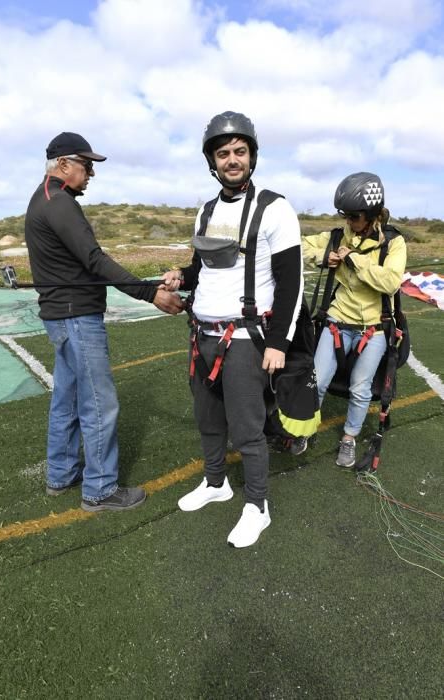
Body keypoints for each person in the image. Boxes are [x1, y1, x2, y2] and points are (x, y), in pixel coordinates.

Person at [162, 111, 304, 547]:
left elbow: (291, 282)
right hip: (201, 334)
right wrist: (180, 277)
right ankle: (216, 483)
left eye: (239, 151)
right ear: (213, 161)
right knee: (208, 419)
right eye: (223, 153)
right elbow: (202, 267)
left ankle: (257, 505)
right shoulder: (205, 211)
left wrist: (278, 342)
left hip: (244, 338)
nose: (232, 159)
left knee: (247, 427)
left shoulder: (276, 208)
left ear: (252, 155)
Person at [25, 131, 183, 512]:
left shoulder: (43, 199)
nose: (91, 172)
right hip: (76, 318)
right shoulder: (59, 203)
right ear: (63, 165)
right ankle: (99, 489)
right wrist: (151, 292)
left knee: (67, 400)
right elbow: (95, 261)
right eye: (86, 164)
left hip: (62, 318)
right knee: (99, 403)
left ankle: (61, 475)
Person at [291, 172, 407, 467]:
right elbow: (300, 245)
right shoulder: (337, 237)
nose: (349, 223)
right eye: (345, 216)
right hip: (337, 320)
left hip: (375, 328)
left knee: (360, 388)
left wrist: (353, 258)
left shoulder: (393, 242)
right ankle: (305, 428)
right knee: (315, 383)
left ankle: (349, 438)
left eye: (354, 217)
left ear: (371, 215)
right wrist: (324, 256)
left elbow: (391, 282)